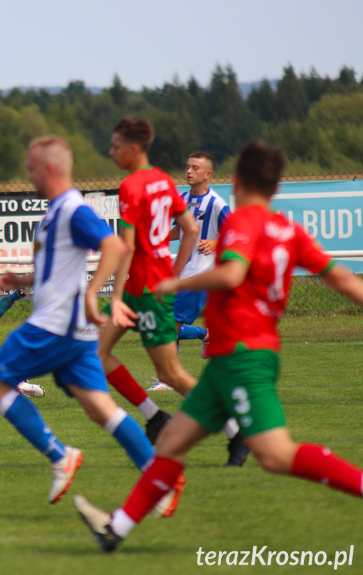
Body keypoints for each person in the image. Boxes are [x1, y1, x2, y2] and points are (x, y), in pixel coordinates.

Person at [75, 140, 363, 553]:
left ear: (239, 181)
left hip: (242, 357)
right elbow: (345, 280)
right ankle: (115, 529)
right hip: (233, 358)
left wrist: (177, 281)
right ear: (277, 186)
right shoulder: (291, 231)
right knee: (172, 442)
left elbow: (231, 276)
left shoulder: (242, 223)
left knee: (276, 455)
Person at [0, 135, 165, 509]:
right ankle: (159, 481)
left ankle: (60, 455)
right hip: (73, 329)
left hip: (55, 323)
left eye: (31, 168)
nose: (27, 175)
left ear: (49, 169)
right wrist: (22, 280)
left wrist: (93, 291)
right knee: (100, 408)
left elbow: (114, 246)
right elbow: (55, 268)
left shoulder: (71, 208)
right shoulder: (53, 213)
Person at [98, 119, 244, 464]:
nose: (111, 151)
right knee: (97, 353)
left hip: (145, 291)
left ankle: (235, 431)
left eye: (116, 146)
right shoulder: (164, 182)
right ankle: (154, 416)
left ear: (134, 149)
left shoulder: (131, 187)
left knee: (170, 374)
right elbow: (191, 230)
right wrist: (174, 274)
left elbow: (127, 247)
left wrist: (116, 297)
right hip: (148, 286)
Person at [169, 152, 230, 359]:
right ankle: (206, 334)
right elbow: (179, 230)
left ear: (207, 174)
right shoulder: (182, 199)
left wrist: (215, 242)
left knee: (167, 327)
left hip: (200, 275)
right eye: (187, 167)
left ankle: (167, 377)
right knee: (161, 323)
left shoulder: (216, 203)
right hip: (180, 272)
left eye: (195, 168)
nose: (189, 171)